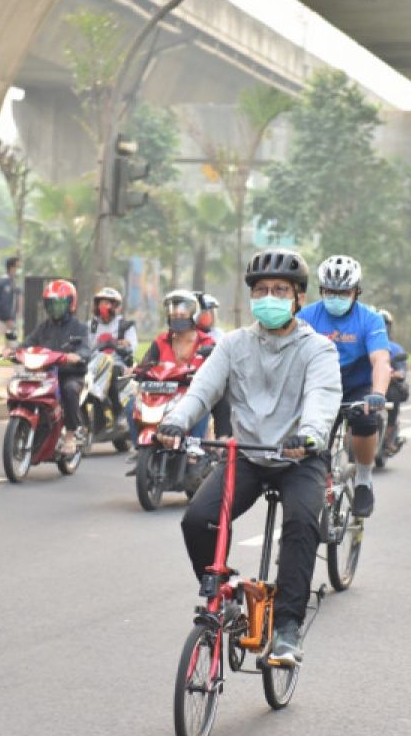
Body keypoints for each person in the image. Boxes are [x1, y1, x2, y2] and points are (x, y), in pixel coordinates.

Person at [158, 249, 341, 666]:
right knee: (196, 519)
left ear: (297, 298)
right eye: (261, 290)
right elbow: (202, 390)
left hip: (300, 457)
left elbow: (322, 398)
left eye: (280, 290)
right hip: (248, 455)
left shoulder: (318, 350)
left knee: (301, 525)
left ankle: (288, 628)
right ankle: (226, 596)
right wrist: (174, 422)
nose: (270, 297)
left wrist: (310, 436)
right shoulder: (233, 345)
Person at [296, 255, 391, 517]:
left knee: (366, 422)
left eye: (343, 292)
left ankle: (363, 479)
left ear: (356, 292)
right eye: (330, 291)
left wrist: (378, 394)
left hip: (356, 385)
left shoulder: (370, 319)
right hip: (318, 385)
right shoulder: (306, 316)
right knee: (308, 439)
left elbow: (381, 360)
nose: (336, 296)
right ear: (322, 290)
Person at [4, 280, 89, 455]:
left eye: (59, 303)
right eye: (52, 304)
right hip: (44, 374)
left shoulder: (79, 328)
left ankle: (70, 436)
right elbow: (28, 343)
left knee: (70, 390)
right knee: (20, 386)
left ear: (70, 304)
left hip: (69, 374)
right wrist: (13, 351)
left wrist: (77, 356)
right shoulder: (43, 327)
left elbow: (86, 349)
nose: (55, 308)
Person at [134, 290, 215, 439]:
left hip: (192, 392)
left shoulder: (207, 343)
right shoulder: (161, 341)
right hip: (163, 393)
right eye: (174, 311)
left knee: (201, 408)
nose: (177, 315)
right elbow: (146, 363)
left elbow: (215, 369)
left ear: (194, 314)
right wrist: (136, 371)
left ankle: (195, 448)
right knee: (131, 406)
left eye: (183, 312)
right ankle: (138, 447)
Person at [88, 286, 137, 425]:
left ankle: (118, 412)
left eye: (108, 303)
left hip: (117, 364)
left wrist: (119, 345)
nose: (103, 306)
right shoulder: (91, 325)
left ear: (116, 306)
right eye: (101, 302)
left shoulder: (125, 325)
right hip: (93, 364)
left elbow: (131, 346)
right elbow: (87, 346)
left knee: (113, 372)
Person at [195, 293, 231, 437]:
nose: (207, 316)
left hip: (210, 380)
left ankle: (222, 441)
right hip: (184, 380)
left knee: (222, 401)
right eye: (203, 312)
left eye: (209, 313)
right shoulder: (184, 334)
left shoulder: (219, 335)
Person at [379, 309, 409, 455]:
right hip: (367, 385)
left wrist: (390, 374)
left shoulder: (396, 349)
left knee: (394, 392)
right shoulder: (362, 345)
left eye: (385, 324)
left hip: (389, 387)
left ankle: (389, 437)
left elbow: (401, 372)